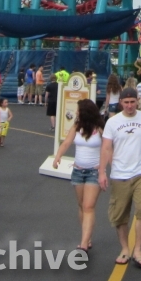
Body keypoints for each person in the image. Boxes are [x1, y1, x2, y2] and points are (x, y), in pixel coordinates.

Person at [99, 88, 141, 270]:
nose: (130, 106)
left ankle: (138, 250)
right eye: (126, 102)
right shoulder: (113, 122)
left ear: (137, 102)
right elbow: (106, 147)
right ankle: (125, 248)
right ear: (121, 103)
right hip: (120, 173)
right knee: (120, 215)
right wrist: (102, 171)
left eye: (133, 102)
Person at [53, 98, 105, 252]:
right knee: (82, 205)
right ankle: (87, 237)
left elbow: (108, 148)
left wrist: (104, 169)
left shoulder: (100, 128)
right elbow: (66, 143)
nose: (76, 112)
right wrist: (58, 157)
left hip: (93, 171)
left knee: (89, 206)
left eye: (79, 110)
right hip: (78, 170)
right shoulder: (76, 127)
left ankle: (83, 243)